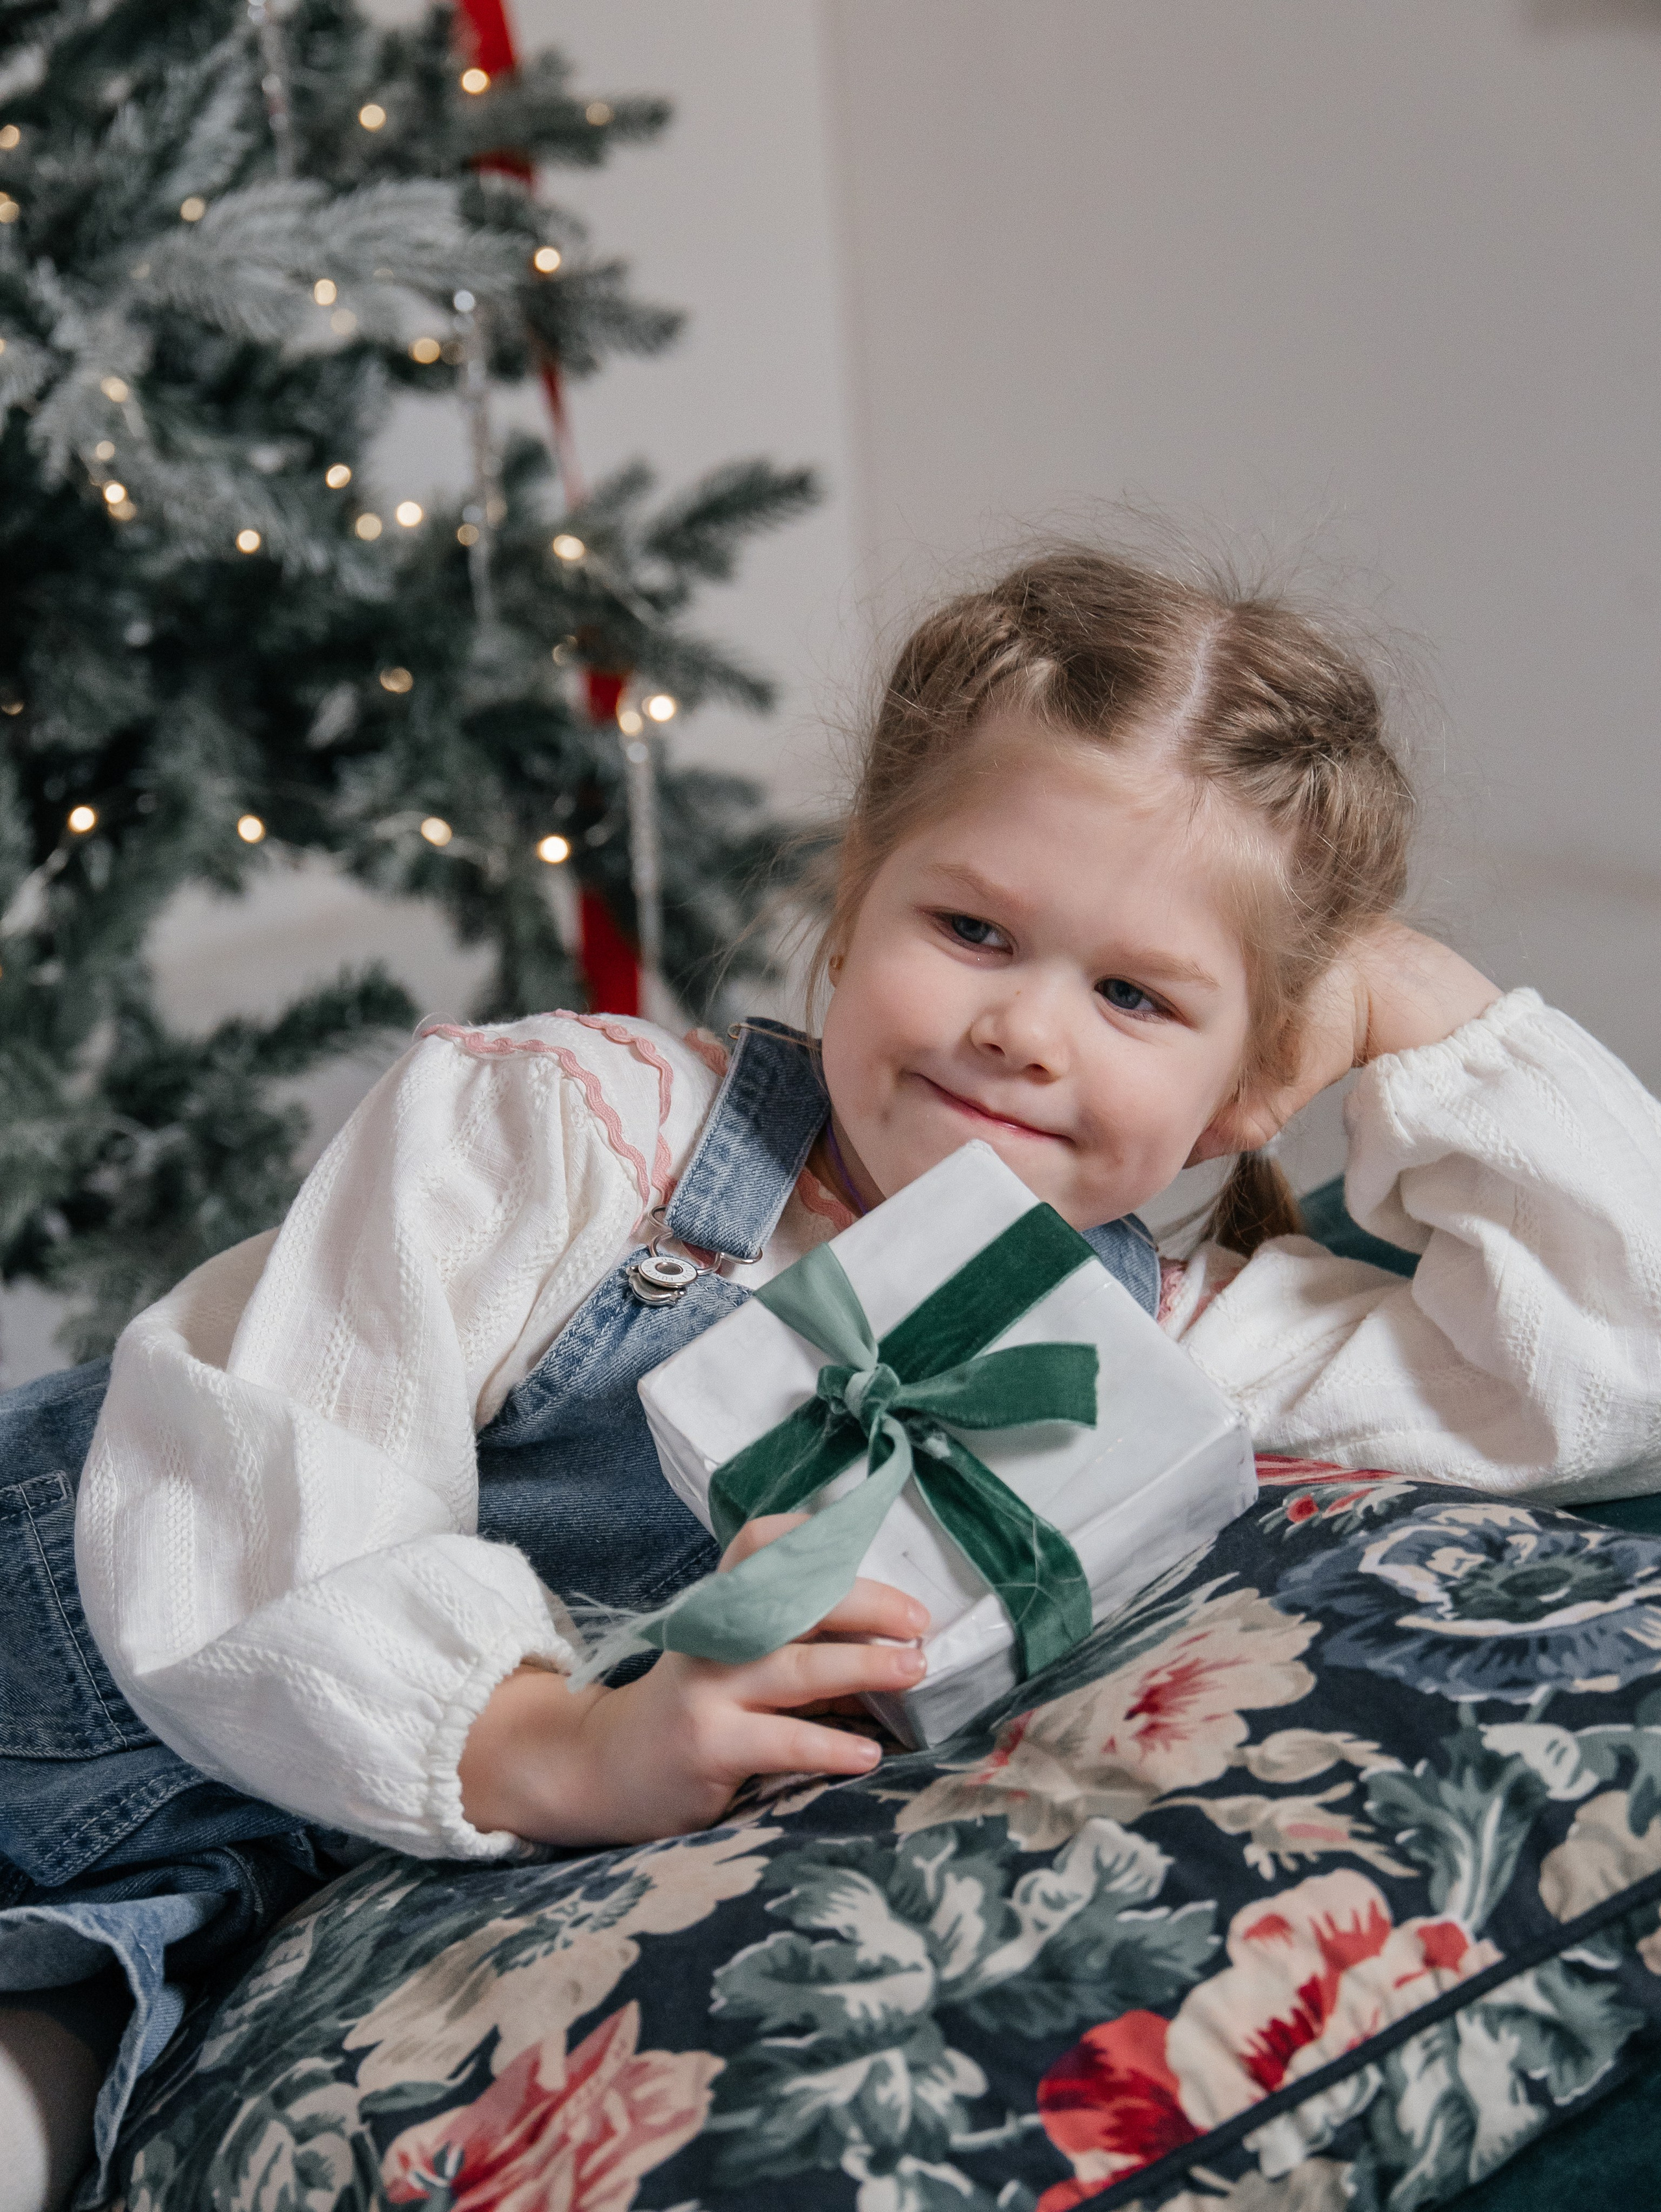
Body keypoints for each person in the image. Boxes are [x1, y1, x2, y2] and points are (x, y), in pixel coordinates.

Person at [4, 546, 1659, 2205]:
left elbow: (1604, 1364)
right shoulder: (570, 1131)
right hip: (77, 1676)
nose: (1022, 1027)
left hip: (201, 1900)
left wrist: (1408, 1002)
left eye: (1136, 995)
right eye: (968, 927)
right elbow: (259, 1481)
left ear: (1250, 1081)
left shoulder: (1172, 1346)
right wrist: (554, 1740)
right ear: (854, 900)